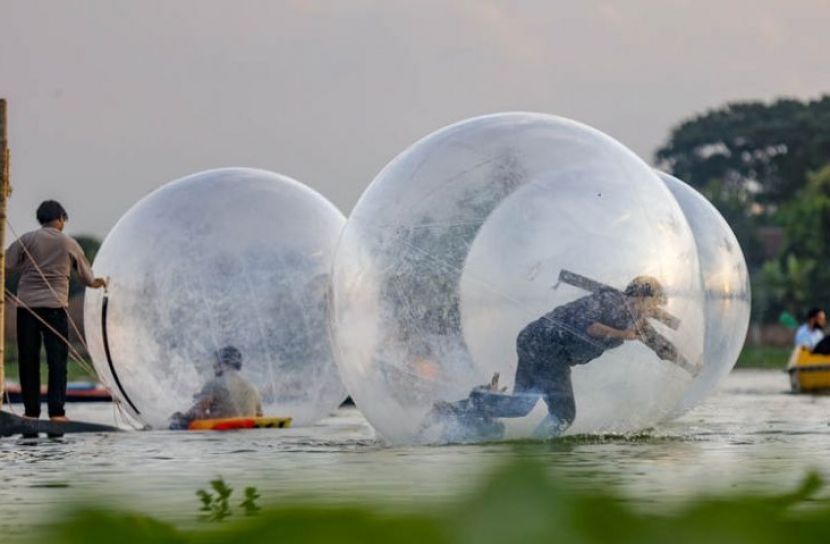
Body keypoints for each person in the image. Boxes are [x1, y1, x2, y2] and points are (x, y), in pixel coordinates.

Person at [426, 276, 683, 441]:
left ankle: (453, 409)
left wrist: (690, 366)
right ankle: (536, 457)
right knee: (563, 414)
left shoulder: (636, 320)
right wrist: (622, 334)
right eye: (654, 304)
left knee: (520, 407)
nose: (655, 311)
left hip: (534, 341)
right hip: (547, 343)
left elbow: (661, 346)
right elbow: (589, 326)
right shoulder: (613, 301)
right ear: (641, 297)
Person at [5, 200, 107, 422]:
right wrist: (99, 283)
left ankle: (31, 412)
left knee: (28, 360)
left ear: (41, 219)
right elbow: (87, 278)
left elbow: (7, 263)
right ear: (60, 219)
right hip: (55, 309)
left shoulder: (28, 239)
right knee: (57, 362)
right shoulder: (68, 243)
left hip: (27, 309)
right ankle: (57, 413)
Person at [169, 346, 263, 430]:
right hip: (246, 437)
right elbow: (260, 416)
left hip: (221, 436)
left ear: (222, 363)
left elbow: (198, 412)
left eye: (215, 362)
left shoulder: (213, 384)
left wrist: (180, 417)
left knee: (177, 421)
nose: (213, 366)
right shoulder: (253, 388)